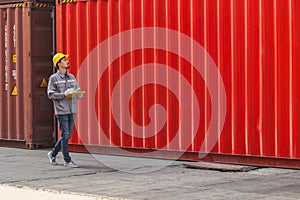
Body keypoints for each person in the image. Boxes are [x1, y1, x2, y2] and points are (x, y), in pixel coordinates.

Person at [47, 53, 84, 168]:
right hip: (62, 110)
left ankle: (52, 154)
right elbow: (50, 94)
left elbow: (78, 90)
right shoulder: (54, 78)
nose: (67, 61)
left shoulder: (72, 77)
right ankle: (67, 160)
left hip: (72, 109)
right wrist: (64, 94)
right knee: (65, 134)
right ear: (59, 64)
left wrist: (79, 94)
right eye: (64, 60)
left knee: (66, 135)